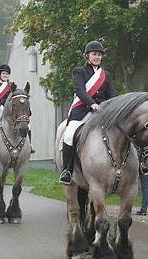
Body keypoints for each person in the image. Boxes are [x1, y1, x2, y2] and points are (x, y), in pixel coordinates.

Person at [59, 41, 116, 184]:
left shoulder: (106, 75)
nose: (97, 57)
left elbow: (111, 95)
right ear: (87, 56)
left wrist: (112, 108)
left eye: (99, 55)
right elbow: (80, 91)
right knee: (69, 134)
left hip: (101, 113)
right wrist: (92, 104)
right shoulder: (79, 71)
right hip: (81, 111)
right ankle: (67, 170)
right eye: (94, 54)